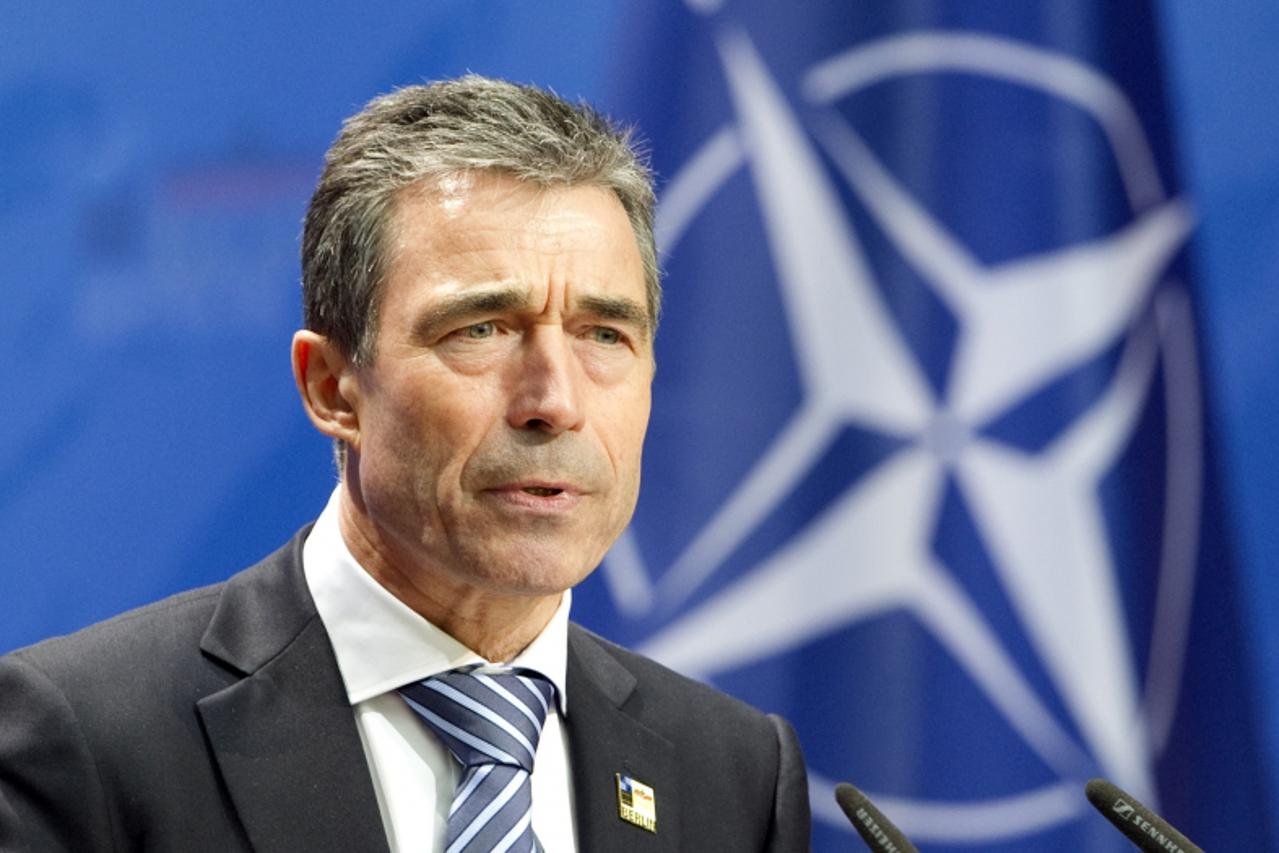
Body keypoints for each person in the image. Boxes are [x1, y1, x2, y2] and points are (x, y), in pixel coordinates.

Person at [0, 76, 811, 851]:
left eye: (604, 334)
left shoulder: (733, 773)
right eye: (481, 328)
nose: (554, 400)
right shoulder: (89, 739)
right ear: (332, 387)